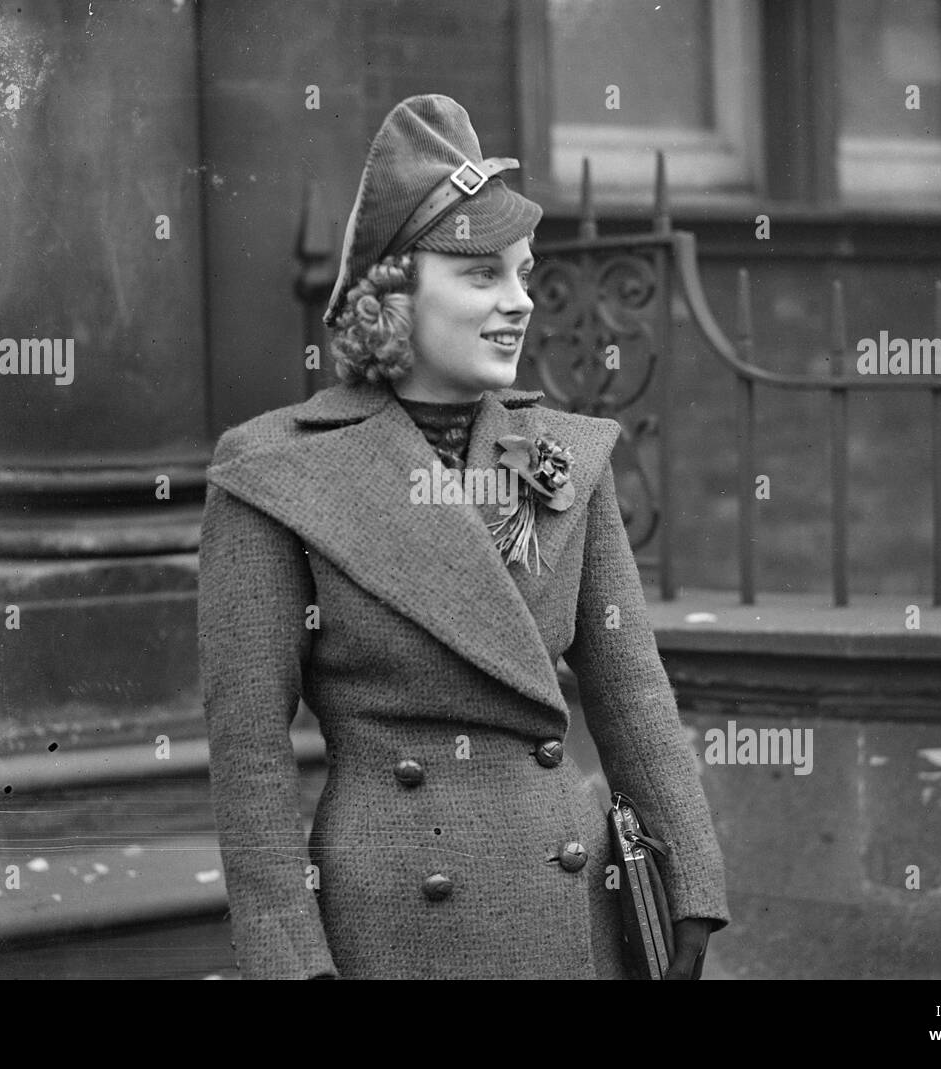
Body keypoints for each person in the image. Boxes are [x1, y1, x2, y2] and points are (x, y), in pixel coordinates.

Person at [197, 94, 728, 980]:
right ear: (392, 295)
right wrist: (293, 962)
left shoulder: (563, 454)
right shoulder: (273, 475)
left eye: (523, 273)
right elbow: (249, 755)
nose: (519, 302)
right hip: (397, 920)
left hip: (572, 907)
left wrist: (690, 877)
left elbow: (631, 687)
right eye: (482, 275)